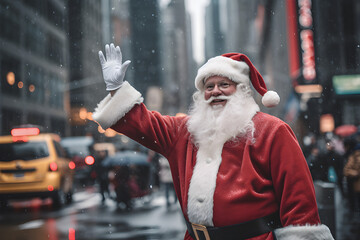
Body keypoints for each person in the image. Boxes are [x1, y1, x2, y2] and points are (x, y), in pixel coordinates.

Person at [93, 43, 334, 240]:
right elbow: (143, 124)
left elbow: (299, 202)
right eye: (209, 86)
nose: (215, 91)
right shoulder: (184, 132)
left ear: (241, 90)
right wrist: (116, 89)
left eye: (224, 85)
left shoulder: (273, 131)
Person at [343, 143, 360, 219]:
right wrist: (356, 173)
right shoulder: (354, 157)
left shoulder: (353, 156)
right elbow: (346, 170)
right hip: (357, 185)